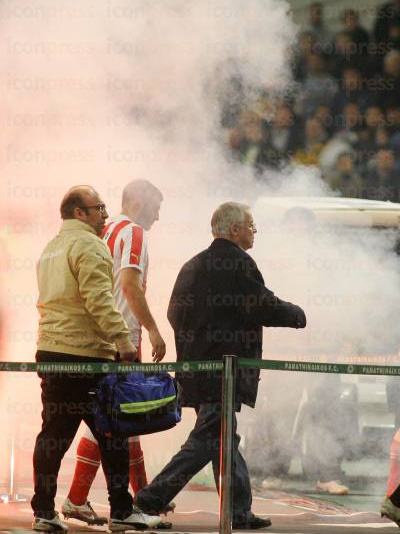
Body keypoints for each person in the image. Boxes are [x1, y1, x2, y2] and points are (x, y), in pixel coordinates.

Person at [133, 202, 307, 529]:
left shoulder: (192, 265)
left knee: (223, 439)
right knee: (208, 441)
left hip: (196, 370)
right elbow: (263, 306)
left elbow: (174, 313)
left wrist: (195, 344)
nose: (255, 231)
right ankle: (150, 497)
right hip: (223, 374)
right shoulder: (239, 263)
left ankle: (238, 511)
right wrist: (297, 315)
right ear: (233, 229)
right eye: (251, 226)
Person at [31, 185, 161, 532]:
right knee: (112, 431)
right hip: (87, 353)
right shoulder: (89, 245)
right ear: (79, 212)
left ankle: (44, 510)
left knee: (54, 435)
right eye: (98, 207)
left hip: (52, 350)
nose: (105, 213)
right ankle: (121, 511)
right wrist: (123, 340)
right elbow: (100, 301)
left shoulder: (52, 247)